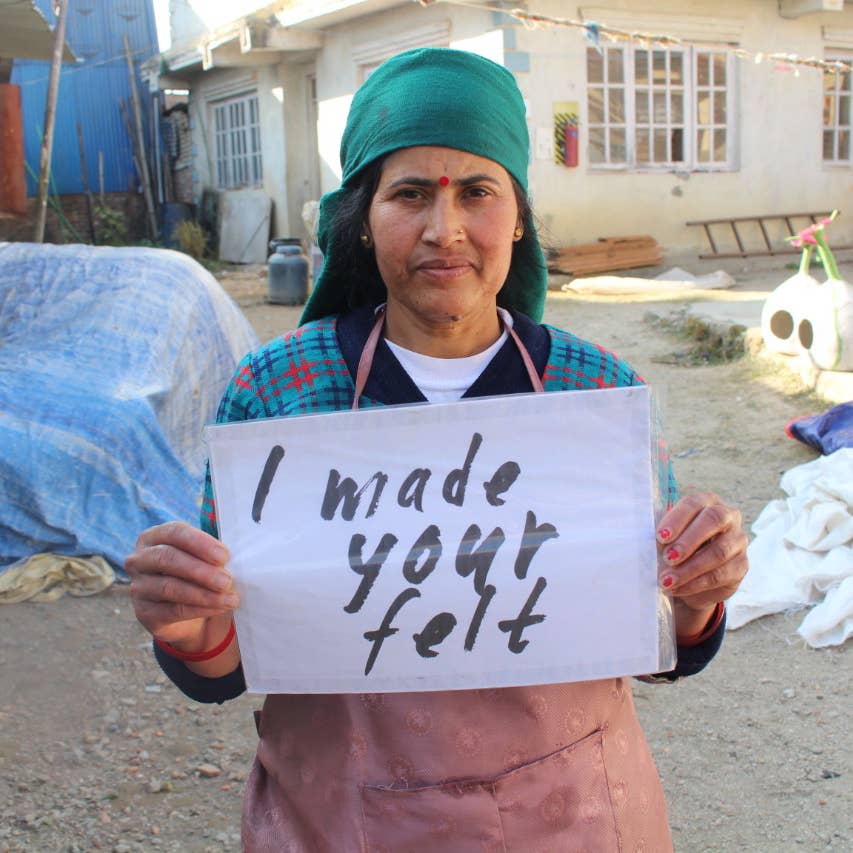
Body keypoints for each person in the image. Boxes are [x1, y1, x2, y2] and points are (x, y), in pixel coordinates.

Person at [126, 48, 749, 851]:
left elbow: (661, 633)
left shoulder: (593, 393)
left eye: (477, 193)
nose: (443, 229)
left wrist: (700, 590)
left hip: (576, 817)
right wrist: (186, 624)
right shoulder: (278, 390)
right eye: (409, 193)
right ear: (363, 217)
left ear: (517, 216)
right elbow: (228, 662)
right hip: (341, 818)